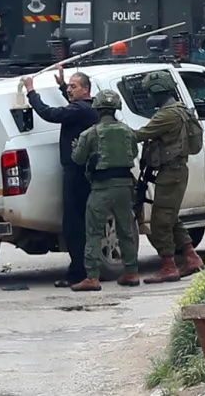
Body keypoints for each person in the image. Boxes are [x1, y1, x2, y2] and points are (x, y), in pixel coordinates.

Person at [22, 64, 99, 288]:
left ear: (86, 90)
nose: (70, 91)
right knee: (79, 223)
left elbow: (50, 114)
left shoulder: (80, 110)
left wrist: (31, 91)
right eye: (70, 87)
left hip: (77, 173)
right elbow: (69, 105)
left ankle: (78, 272)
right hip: (82, 172)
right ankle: (80, 269)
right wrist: (62, 85)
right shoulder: (86, 108)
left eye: (74, 87)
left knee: (74, 225)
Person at [133, 70, 204, 284]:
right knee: (170, 216)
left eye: (150, 93)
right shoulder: (181, 110)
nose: (149, 97)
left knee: (160, 221)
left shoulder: (167, 115)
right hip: (174, 171)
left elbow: (141, 134)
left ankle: (168, 266)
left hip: (171, 172)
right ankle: (191, 257)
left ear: (157, 92)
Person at [70, 89, 140, 291]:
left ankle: (92, 277)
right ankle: (131, 272)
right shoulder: (127, 131)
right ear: (116, 108)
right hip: (125, 186)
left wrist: (76, 147)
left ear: (98, 109)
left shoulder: (90, 134)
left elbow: (78, 159)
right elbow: (133, 153)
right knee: (126, 230)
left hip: (101, 187)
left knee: (93, 231)